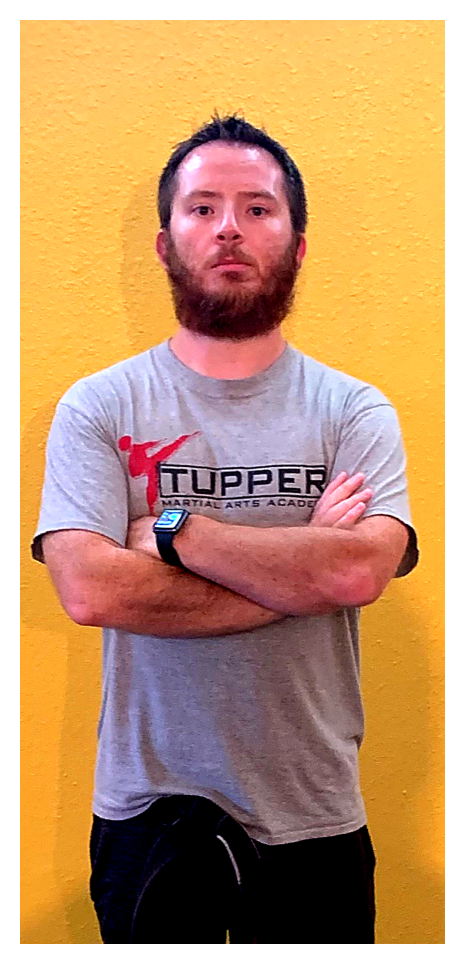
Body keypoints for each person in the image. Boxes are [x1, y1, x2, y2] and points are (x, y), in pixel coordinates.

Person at [32, 113, 418, 944]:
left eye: (257, 208)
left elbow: (359, 572)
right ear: (165, 243)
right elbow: (91, 590)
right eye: (202, 208)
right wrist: (303, 570)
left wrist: (176, 534)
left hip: (314, 814)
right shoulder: (99, 407)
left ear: (298, 244)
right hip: (147, 812)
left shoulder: (354, 411)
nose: (229, 229)